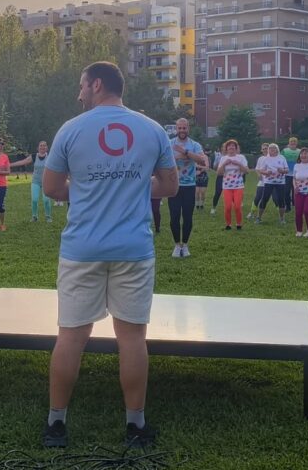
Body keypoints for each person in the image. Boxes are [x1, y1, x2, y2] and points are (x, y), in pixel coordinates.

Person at [41, 61, 177, 449]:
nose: (78, 93)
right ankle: (135, 426)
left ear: (97, 85)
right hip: (133, 249)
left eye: (81, 85)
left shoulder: (70, 129)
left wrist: (85, 189)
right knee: (132, 338)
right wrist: (131, 186)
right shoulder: (152, 130)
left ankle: (56, 425)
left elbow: (51, 188)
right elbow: (168, 186)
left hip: (81, 248)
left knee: (71, 336)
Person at [168, 118, 207, 257]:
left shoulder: (194, 144)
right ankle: (177, 245)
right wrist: (189, 156)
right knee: (174, 217)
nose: (182, 131)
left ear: (188, 129)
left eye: (184, 128)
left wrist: (185, 153)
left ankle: (185, 244)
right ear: (176, 129)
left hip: (190, 185)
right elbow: (166, 159)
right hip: (174, 185)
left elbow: (202, 160)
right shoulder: (170, 143)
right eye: (180, 128)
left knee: (187, 217)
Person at [217, 139, 249, 230]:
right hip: (226, 186)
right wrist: (224, 164)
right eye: (229, 146)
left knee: (237, 206)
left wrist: (238, 164)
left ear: (236, 148)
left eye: (233, 146)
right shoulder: (223, 158)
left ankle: (239, 224)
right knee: (227, 207)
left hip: (238, 186)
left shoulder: (241, 157)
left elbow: (247, 171)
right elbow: (219, 173)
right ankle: (228, 224)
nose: (231, 147)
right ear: (226, 148)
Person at [255, 143, 289, 225]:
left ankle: (282, 219)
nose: (272, 150)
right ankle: (259, 218)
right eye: (270, 148)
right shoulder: (266, 159)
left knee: (281, 200)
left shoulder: (282, 157)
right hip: (268, 182)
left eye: (274, 148)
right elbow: (260, 170)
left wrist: (282, 171)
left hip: (280, 182)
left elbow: (287, 170)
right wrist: (266, 172)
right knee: (264, 199)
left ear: (277, 149)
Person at [29, 141, 54, 222]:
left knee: (46, 200)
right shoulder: (33, 156)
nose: (42, 147)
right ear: (38, 147)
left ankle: (48, 216)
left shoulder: (50, 157)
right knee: (34, 200)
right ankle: (34, 216)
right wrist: (10, 164)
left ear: (47, 148)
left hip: (46, 181)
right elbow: (22, 162)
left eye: (44, 145)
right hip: (35, 181)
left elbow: (58, 165)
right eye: (41, 145)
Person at [247, 143, 270, 219]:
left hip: (272, 182)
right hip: (262, 182)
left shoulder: (273, 158)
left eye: (266, 148)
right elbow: (257, 169)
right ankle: (251, 212)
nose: (264, 150)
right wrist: (259, 174)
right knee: (258, 197)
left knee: (277, 199)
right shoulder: (260, 159)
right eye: (263, 149)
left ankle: (281, 216)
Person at [281, 136, 301, 213]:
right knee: (286, 192)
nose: (293, 143)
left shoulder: (300, 151)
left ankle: (295, 205)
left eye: (294, 142)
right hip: (287, 175)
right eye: (291, 142)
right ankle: (288, 207)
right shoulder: (284, 151)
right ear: (289, 143)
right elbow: (280, 160)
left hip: (296, 175)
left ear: (296, 143)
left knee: (295, 191)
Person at [209, 145, 224, 215]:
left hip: (230, 177)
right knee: (218, 192)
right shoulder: (219, 157)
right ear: (221, 149)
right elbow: (214, 167)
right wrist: (218, 161)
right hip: (220, 177)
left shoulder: (232, 157)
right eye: (223, 147)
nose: (224, 149)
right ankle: (213, 207)